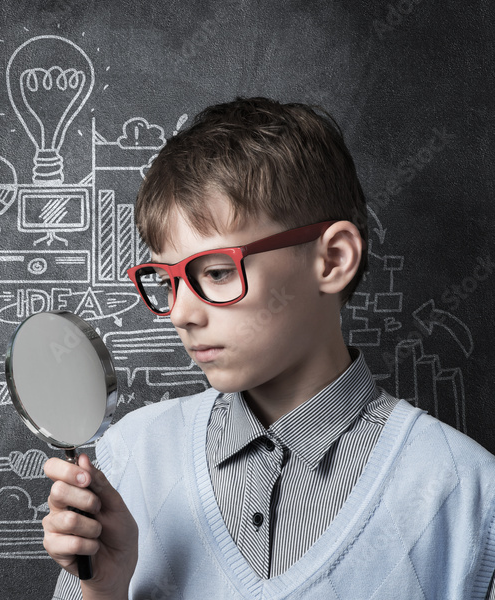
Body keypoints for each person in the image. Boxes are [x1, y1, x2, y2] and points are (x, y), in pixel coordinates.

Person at [42, 97, 495, 599]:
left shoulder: (462, 492)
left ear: (332, 259)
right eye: (166, 281)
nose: (180, 314)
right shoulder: (131, 457)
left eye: (216, 272)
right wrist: (103, 590)